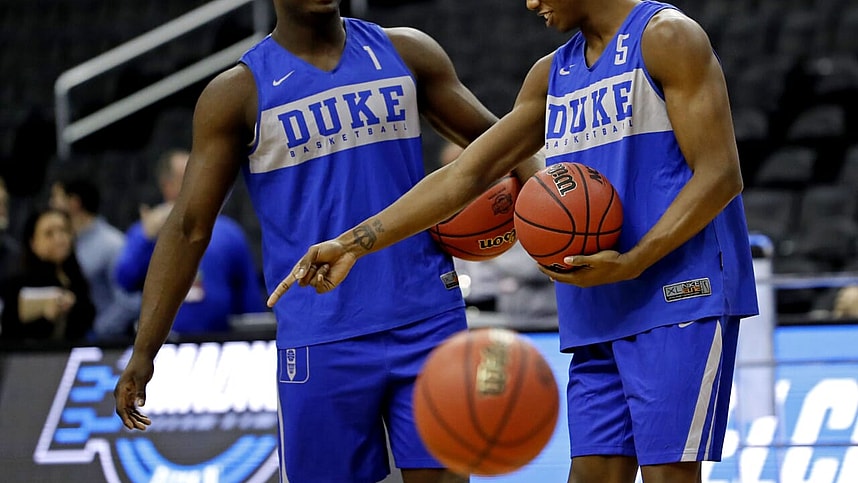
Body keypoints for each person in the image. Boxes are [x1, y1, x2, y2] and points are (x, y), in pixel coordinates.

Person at [268, 1, 760, 482]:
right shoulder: (551, 74)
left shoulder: (667, 36)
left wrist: (635, 260)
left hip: (677, 294)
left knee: (667, 471)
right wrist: (354, 243)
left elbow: (720, 173)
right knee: (594, 470)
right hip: (598, 302)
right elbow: (467, 173)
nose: (530, 3)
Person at [112, 2, 541, 482]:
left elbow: (502, 143)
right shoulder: (237, 93)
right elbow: (189, 226)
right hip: (320, 335)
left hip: (427, 319)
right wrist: (145, 350)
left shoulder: (407, 52)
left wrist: (548, 216)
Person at [113, 148, 266, 335]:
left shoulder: (228, 232)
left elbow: (249, 297)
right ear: (167, 185)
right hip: (163, 345)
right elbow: (125, 280)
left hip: (219, 342)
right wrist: (147, 238)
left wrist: (256, 338)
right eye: (188, 176)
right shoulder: (145, 231)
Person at [50, 176, 141, 340]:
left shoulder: (111, 244)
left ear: (74, 203)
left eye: (56, 198)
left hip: (107, 345)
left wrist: (96, 332)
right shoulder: (66, 243)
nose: (52, 204)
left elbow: (129, 302)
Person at [0, 207, 95, 342]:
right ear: (33, 242)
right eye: (49, 234)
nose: (59, 238)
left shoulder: (78, 279)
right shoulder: (15, 285)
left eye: (64, 230)